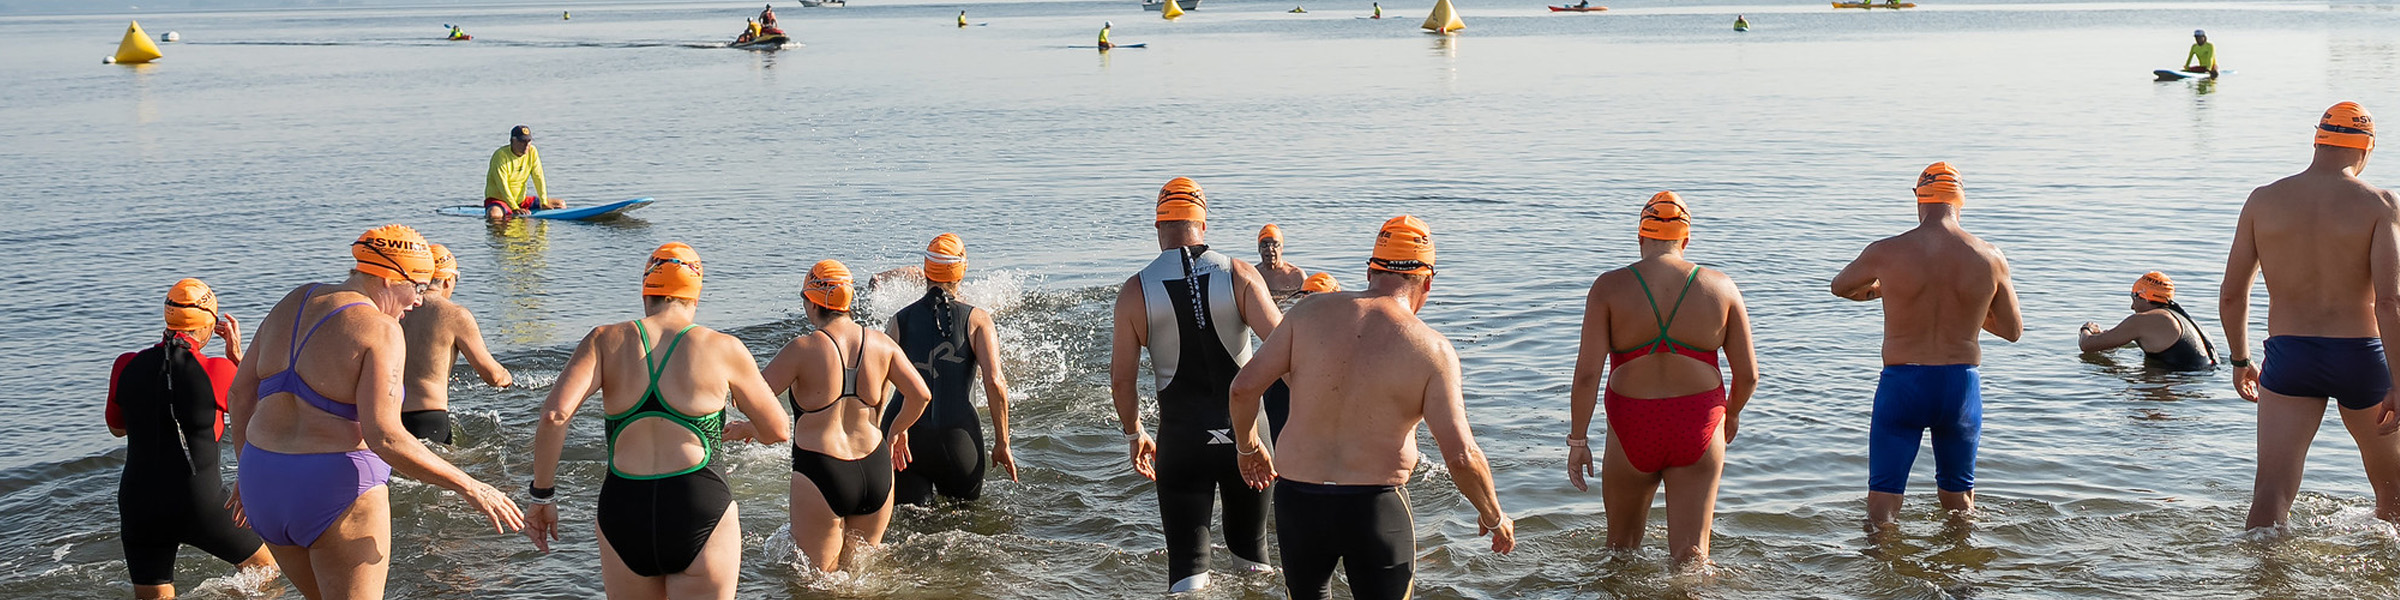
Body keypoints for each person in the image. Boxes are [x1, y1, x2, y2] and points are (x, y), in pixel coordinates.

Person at [228, 225, 524, 600]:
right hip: (334, 487)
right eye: (416, 287)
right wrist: (471, 486)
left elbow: (240, 394)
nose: (418, 300)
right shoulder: (380, 329)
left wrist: (246, 474)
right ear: (386, 278)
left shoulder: (294, 300)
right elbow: (384, 436)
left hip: (261, 482)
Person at [1227, 216, 1515, 600]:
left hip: (1299, 502)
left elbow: (1243, 389)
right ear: (1427, 282)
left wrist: (1247, 448)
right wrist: (1493, 515)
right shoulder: (1432, 350)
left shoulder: (1305, 315)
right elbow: (1461, 456)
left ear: (1369, 271)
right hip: (1376, 508)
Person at [524, 242, 792, 598]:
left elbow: (554, 415)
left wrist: (542, 496)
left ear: (645, 292)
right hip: (699, 506)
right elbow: (777, 430)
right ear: (696, 296)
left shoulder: (604, 340)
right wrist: (745, 427)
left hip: (624, 510)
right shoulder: (722, 347)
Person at [2220, 101, 2400, 529]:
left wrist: (2241, 361)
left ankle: (2262, 585)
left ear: (2317, 140)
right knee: (2393, 495)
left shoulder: (2263, 200)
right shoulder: (2380, 204)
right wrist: (2399, 379)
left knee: (2270, 495)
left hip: (2290, 355)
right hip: (2362, 357)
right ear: (2367, 147)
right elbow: (2389, 303)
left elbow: (2231, 295)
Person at [1109, 177, 1284, 592]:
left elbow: (1121, 381)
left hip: (1182, 441)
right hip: (1249, 437)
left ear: (1157, 227)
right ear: (1203, 224)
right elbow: (1284, 351)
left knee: (1188, 574)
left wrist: (1135, 434)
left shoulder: (1135, 291)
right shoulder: (1239, 273)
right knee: (1254, 561)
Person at [1564, 193, 1758, 566]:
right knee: (1692, 559)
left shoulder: (1608, 287)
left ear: (1640, 237)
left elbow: (1588, 374)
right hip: (1699, 426)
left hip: (1631, 426)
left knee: (1619, 554)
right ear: (1686, 240)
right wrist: (1730, 415)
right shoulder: (1722, 287)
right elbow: (1748, 374)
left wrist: (1578, 440)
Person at [1830, 163, 2023, 529]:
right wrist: (1967, 309)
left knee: (1883, 502)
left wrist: (1882, 290)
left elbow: (1840, 286)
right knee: (1959, 500)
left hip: (1903, 384)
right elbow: (2013, 330)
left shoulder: (1885, 252)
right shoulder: (1990, 257)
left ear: (1918, 198)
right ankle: (1961, 579)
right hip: (1959, 387)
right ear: (1960, 201)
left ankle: (1880, 580)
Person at [109, 278, 278, 599]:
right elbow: (268, 412)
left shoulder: (126, 364)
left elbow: (117, 428)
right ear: (209, 325)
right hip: (201, 503)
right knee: (264, 569)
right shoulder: (218, 370)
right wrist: (237, 359)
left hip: (138, 504)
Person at [761, 260, 933, 572]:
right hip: (875, 467)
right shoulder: (882, 344)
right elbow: (921, 395)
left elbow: (752, 396)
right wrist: (896, 431)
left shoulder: (801, 348)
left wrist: (749, 425)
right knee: (862, 577)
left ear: (813, 303)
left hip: (821, 468)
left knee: (818, 583)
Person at [885, 234, 1018, 505]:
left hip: (904, 439)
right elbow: (995, 382)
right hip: (958, 438)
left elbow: (877, 385)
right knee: (962, 524)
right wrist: (1002, 442)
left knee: (911, 523)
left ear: (925, 269)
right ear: (962, 270)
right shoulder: (978, 320)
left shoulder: (898, 320)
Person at [399, 244, 513, 444]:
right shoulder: (454, 314)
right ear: (448, 279)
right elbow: (493, 376)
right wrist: (506, 376)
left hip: (386, 417)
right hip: (428, 418)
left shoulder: (395, 309)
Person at [2077, 271, 2218, 372]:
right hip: (2202, 379)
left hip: (2179, 379)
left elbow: (2087, 345)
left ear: (2143, 297)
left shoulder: (2145, 320)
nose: (2132, 307)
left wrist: (2086, 329)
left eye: (2134, 298)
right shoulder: (2183, 318)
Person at [484, 125, 558, 218]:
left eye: (528, 141)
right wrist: (514, 207)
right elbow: (502, 185)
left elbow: (538, 177)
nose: (526, 145)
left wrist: (543, 203)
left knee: (560, 204)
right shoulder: (500, 156)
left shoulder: (532, 151)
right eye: (522, 141)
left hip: (521, 201)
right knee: (494, 215)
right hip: (499, 200)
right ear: (512, 141)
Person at [1256, 224, 1307, 298]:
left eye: (1275, 244)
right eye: (1264, 244)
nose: (1270, 249)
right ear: (1259, 249)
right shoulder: (1254, 274)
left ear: (1281, 248)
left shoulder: (1296, 275)